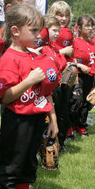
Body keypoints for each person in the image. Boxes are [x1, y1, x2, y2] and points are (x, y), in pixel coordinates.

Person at [0, 4, 58, 189]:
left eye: (39, 31)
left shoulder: (33, 55)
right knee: (10, 164)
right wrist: (28, 80)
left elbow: (44, 92)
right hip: (17, 121)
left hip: (35, 118)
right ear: (16, 31)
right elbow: (5, 96)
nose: (39, 36)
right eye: (34, 31)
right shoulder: (10, 58)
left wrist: (52, 118)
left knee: (29, 163)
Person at [71, 14, 95, 135]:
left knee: (87, 103)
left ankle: (81, 126)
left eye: (91, 26)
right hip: (78, 76)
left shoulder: (93, 44)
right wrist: (75, 81)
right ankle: (71, 126)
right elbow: (73, 60)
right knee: (76, 101)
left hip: (90, 77)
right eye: (87, 26)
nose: (90, 28)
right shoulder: (75, 42)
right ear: (79, 28)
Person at [41, 15, 69, 151]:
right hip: (47, 91)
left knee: (62, 116)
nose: (57, 34)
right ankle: (45, 147)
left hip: (57, 88)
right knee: (48, 120)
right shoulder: (41, 48)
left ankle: (58, 144)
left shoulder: (54, 48)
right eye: (54, 30)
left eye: (59, 31)